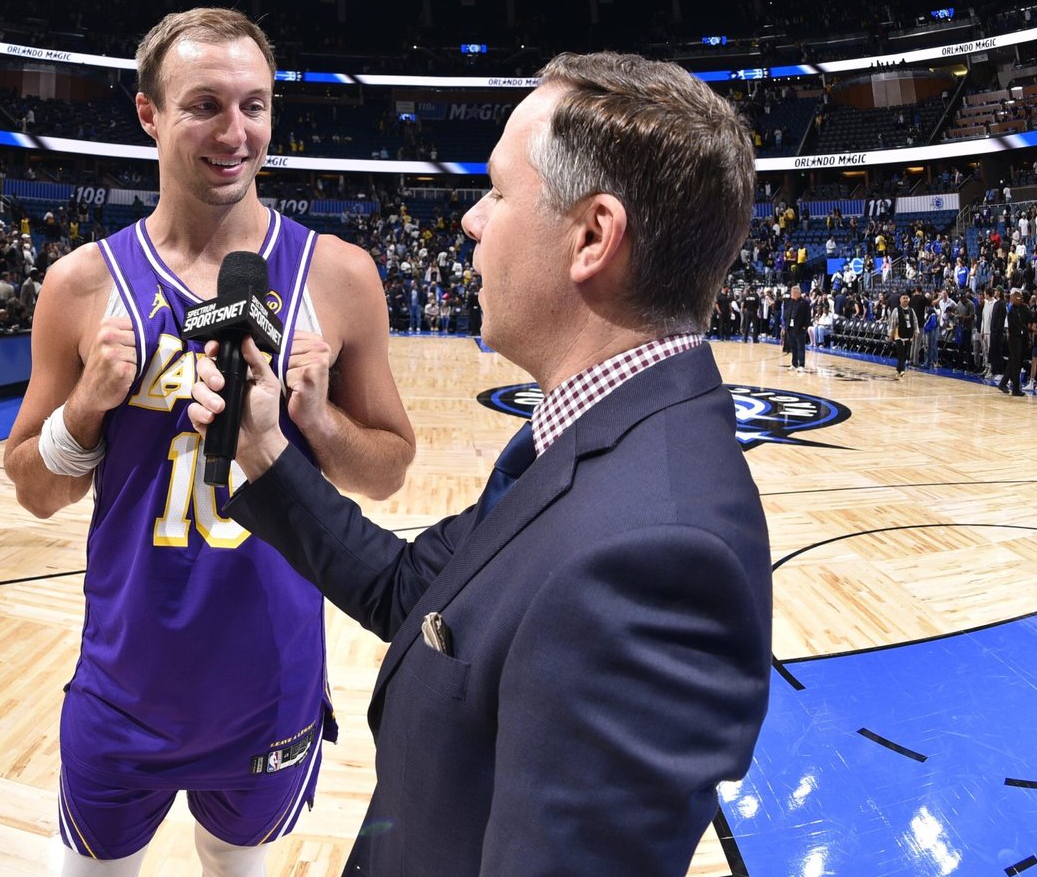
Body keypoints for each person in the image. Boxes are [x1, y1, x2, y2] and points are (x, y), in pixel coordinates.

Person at [187, 51, 771, 875]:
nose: (470, 219)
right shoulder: (599, 433)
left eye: (496, 191)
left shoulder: (660, 560)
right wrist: (265, 448)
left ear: (592, 236)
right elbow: (413, 592)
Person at [2, 8, 415, 875]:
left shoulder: (339, 275)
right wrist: (86, 406)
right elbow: (35, 488)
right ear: (148, 114)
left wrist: (317, 420)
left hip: (270, 683)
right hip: (125, 682)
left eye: (254, 105)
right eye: (205, 105)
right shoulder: (81, 285)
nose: (236, 133)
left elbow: (388, 469)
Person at [1002, 287, 1030, 396]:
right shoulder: (1013, 311)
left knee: (1013, 363)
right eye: (1018, 298)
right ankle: (1015, 389)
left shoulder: (1017, 309)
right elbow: (1019, 325)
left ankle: (1003, 383)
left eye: (1021, 298)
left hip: (1017, 339)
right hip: (1014, 339)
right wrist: (1031, 330)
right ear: (1014, 298)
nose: (1020, 300)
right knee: (1016, 365)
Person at [784, 283, 812, 373]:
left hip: (800, 328)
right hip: (790, 328)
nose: (791, 294)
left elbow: (808, 315)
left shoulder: (804, 303)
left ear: (797, 293)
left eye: (792, 292)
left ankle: (801, 365)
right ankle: (794, 364)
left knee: (800, 347)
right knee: (793, 347)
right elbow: (787, 314)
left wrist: (805, 326)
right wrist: (786, 325)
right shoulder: (790, 302)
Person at [890, 292, 917, 378]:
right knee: (900, 352)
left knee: (905, 353)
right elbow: (892, 323)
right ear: (900, 300)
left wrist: (916, 331)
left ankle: (899, 369)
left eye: (906, 298)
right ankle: (901, 370)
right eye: (903, 298)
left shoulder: (911, 310)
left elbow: (915, 321)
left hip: (908, 333)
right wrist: (890, 334)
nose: (905, 300)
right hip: (898, 334)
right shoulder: (896, 310)